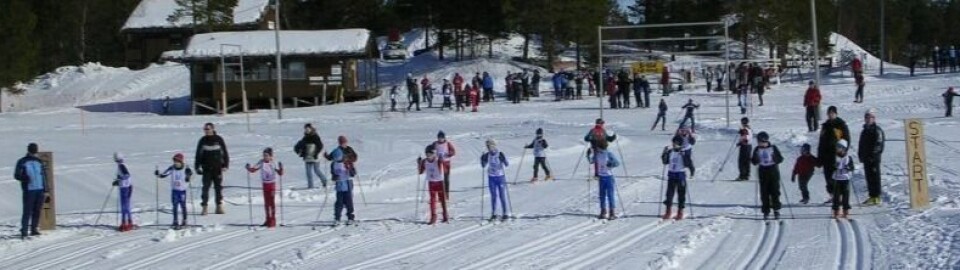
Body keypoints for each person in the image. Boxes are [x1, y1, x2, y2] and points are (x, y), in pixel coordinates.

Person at [818, 106, 851, 204]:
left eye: (832, 113)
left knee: (836, 176)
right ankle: (832, 195)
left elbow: (846, 139)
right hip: (825, 155)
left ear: (836, 114)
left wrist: (843, 151)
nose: (830, 114)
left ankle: (839, 196)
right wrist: (820, 156)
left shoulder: (841, 125)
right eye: (829, 113)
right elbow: (821, 141)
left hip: (836, 155)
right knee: (828, 177)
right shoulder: (825, 125)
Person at [195, 122, 230, 215]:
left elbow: (225, 153)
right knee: (205, 188)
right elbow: (198, 154)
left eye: (208, 129)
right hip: (206, 169)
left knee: (218, 188)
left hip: (217, 168)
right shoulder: (202, 140)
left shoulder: (218, 139)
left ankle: (219, 206)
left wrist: (226, 165)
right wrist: (197, 166)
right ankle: (204, 207)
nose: (206, 131)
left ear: (212, 129)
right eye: (205, 129)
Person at [14, 143, 47, 239]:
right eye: (32, 150)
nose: (34, 152)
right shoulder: (22, 161)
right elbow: (16, 175)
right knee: (27, 211)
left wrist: (46, 188)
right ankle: (24, 231)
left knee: (37, 210)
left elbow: (44, 176)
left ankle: (34, 229)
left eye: (35, 150)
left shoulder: (39, 161)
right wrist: (24, 178)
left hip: (39, 189)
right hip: (29, 189)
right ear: (29, 150)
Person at [245, 148, 284, 228]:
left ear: (270, 156)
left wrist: (281, 168)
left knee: (271, 202)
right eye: (264, 155)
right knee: (266, 203)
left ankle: (272, 220)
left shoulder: (273, 163)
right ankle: (267, 219)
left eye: (266, 155)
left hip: (272, 185)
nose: (265, 157)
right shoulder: (261, 162)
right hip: (265, 184)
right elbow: (253, 170)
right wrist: (248, 168)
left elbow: (280, 173)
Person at [325, 136, 359, 225]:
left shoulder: (347, 162)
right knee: (339, 202)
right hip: (339, 185)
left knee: (348, 201)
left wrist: (350, 169)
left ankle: (350, 217)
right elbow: (333, 173)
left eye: (339, 158)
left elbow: (353, 173)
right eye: (336, 159)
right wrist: (335, 177)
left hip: (348, 183)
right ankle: (337, 218)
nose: (338, 160)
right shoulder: (334, 164)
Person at [751, 132, 784, 219]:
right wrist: (756, 159)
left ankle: (776, 209)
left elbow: (780, 159)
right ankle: (766, 211)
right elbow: (753, 162)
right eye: (759, 141)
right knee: (764, 192)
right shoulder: (757, 149)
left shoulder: (773, 148)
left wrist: (775, 158)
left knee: (775, 191)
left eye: (761, 141)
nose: (760, 143)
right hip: (763, 171)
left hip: (773, 170)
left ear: (766, 140)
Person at [156, 153, 193, 230]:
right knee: (175, 206)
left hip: (182, 191)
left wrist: (188, 176)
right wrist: (158, 174)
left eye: (177, 161)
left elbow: (189, 175)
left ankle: (184, 220)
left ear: (181, 161)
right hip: (175, 191)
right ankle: (175, 221)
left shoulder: (185, 168)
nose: (176, 163)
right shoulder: (172, 168)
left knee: (183, 206)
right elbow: (164, 174)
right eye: (175, 161)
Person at [661, 136, 694, 220]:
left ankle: (680, 212)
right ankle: (668, 212)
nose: (674, 144)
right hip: (671, 175)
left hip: (680, 175)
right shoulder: (670, 151)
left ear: (680, 144)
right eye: (673, 142)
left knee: (681, 195)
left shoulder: (684, 152)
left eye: (676, 143)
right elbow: (665, 162)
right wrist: (664, 153)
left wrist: (692, 171)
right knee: (669, 195)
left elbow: (688, 163)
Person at [858, 109, 885, 205]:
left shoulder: (877, 130)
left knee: (875, 177)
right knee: (868, 177)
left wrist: (873, 156)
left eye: (871, 117)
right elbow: (861, 144)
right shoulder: (864, 131)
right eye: (867, 117)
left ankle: (877, 196)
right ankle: (872, 196)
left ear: (874, 118)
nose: (869, 119)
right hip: (866, 158)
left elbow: (879, 144)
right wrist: (860, 155)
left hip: (874, 159)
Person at [480, 139, 510, 221]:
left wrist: (503, 159)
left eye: (490, 146)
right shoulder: (487, 155)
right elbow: (483, 165)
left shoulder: (500, 154)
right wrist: (482, 159)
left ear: (494, 146)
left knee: (502, 195)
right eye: (488, 146)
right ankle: (494, 213)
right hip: (491, 177)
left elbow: (507, 164)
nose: (489, 148)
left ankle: (505, 213)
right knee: (493, 196)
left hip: (500, 177)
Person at [590, 140, 620, 220]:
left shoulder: (608, 153)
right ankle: (603, 211)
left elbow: (617, 163)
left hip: (609, 177)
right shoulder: (597, 154)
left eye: (599, 147)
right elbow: (591, 161)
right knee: (602, 195)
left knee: (610, 195)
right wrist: (588, 154)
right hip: (601, 177)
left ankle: (611, 212)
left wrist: (610, 164)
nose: (598, 149)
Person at [419, 145, 448, 225]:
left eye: (430, 154)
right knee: (432, 200)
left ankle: (445, 215)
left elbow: (444, 167)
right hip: (431, 183)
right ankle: (433, 217)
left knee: (442, 199)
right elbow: (420, 171)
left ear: (434, 154)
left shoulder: (438, 160)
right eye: (427, 154)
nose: (428, 156)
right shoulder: (425, 161)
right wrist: (419, 163)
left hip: (440, 182)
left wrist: (442, 160)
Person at [294, 123, 327, 189]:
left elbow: (320, 146)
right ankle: (310, 186)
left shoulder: (315, 136)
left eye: (308, 129)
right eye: (306, 129)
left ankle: (324, 181)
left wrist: (316, 153)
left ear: (311, 129)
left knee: (316, 170)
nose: (307, 130)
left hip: (315, 157)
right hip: (307, 157)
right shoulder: (305, 138)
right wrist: (300, 152)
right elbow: (299, 146)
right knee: (308, 172)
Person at [832, 140, 855, 218]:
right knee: (836, 195)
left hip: (845, 178)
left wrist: (849, 168)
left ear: (844, 149)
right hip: (837, 178)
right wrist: (834, 166)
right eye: (837, 147)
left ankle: (845, 209)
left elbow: (852, 167)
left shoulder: (848, 158)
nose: (838, 149)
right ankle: (836, 210)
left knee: (846, 195)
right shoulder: (835, 157)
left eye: (840, 147)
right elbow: (830, 166)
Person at [112, 152, 135, 231]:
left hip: (125, 188)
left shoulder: (121, 166)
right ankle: (129, 222)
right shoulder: (122, 165)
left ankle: (124, 224)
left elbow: (126, 175)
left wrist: (119, 181)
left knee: (124, 206)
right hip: (127, 187)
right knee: (126, 206)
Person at [433, 131, 457, 198]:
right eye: (439, 138)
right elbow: (430, 150)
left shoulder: (447, 143)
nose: (440, 139)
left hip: (446, 162)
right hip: (438, 162)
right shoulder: (435, 143)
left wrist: (449, 154)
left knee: (446, 178)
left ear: (444, 138)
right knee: (438, 178)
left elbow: (453, 151)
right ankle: (439, 194)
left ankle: (446, 194)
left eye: (442, 138)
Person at [737, 117, 753, 181]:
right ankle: (746, 175)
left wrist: (741, 142)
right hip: (748, 146)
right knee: (747, 161)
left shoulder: (745, 129)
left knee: (742, 161)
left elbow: (746, 137)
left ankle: (742, 175)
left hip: (745, 147)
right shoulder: (748, 128)